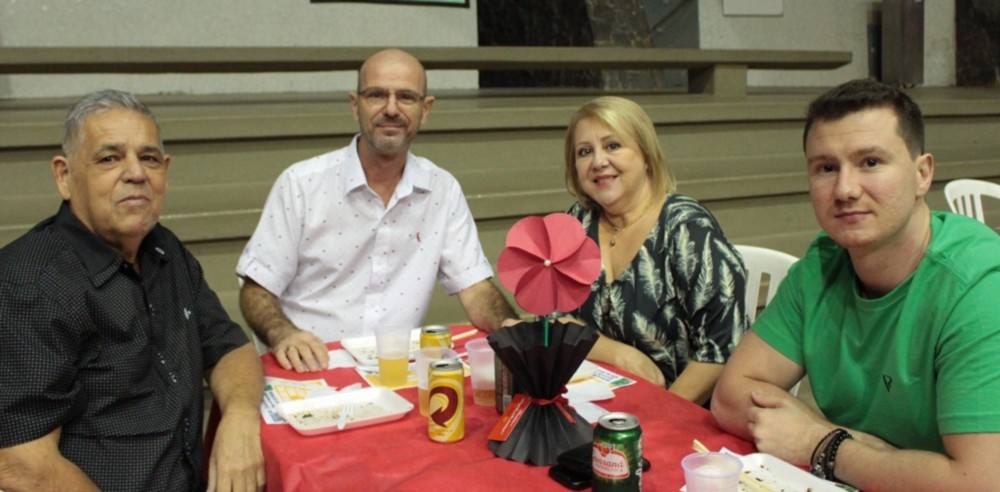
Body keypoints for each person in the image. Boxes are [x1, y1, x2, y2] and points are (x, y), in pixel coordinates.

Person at [711, 79, 1000, 490]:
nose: (845, 190)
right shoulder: (823, 265)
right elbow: (729, 398)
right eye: (826, 168)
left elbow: (981, 482)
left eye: (870, 162)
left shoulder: (979, 287)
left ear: (922, 174)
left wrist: (821, 444)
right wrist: (856, 446)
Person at [0, 90, 265, 491]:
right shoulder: (29, 285)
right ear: (64, 176)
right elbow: (21, 462)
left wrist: (240, 418)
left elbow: (229, 347)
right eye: (109, 158)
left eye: (149, 158)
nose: (136, 173)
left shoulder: (165, 249)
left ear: (165, 171)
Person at [236, 48, 516, 373]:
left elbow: (475, 288)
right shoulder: (301, 184)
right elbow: (256, 290)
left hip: (396, 372)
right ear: (355, 104)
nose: (391, 109)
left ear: (426, 110)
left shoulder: (443, 189)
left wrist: (509, 324)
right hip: (311, 371)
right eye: (377, 95)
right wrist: (284, 334)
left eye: (406, 97)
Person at [562, 96, 749, 405]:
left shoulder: (687, 229)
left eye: (612, 146)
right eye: (585, 152)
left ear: (646, 154)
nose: (598, 161)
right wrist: (618, 354)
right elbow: (556, 320)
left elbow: (721, 351)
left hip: (687, 410)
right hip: (602, 404)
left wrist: (659, 416)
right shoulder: (578, 223)